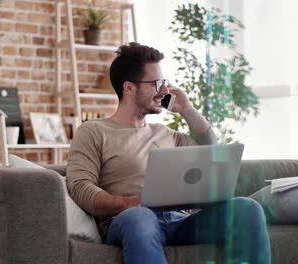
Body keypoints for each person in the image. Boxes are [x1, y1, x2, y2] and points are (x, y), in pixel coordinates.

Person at [66, 42, 271, 264]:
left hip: (179, 221)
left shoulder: (166, 134)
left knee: (246, 208)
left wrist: (186, 108)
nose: (164, 90)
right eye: (157, 83)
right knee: (140, 217)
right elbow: (80, 187)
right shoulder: (93, 131)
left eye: (164, 83)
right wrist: (128, 203)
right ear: (129, 87)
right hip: (130, 221)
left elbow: (210, 146)